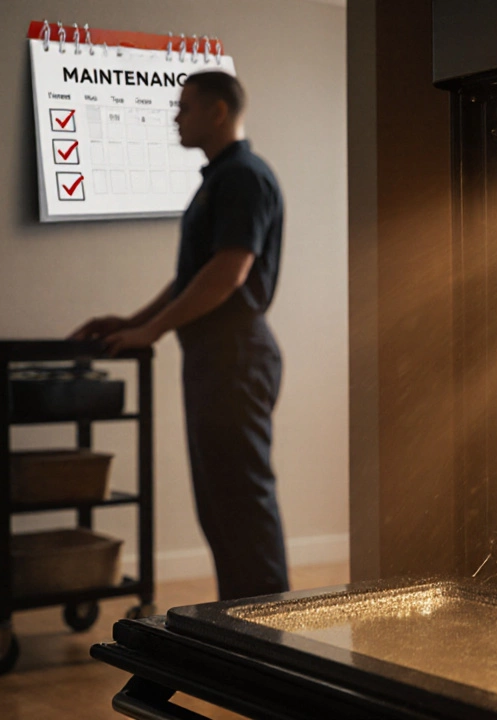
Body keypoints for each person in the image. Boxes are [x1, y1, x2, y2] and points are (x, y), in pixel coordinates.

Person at [71, 71, 288, 601]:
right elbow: (195, 276)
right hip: (217, 358)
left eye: (184, 107)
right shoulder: (219, 180)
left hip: (235, 357)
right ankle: (240, 626)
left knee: (239, 501)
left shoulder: (243, 178)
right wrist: (133, 322)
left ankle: (268, 636)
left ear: (218, 112)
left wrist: (151, 330)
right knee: (221, 505)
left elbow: (228, 273)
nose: (175, 116)